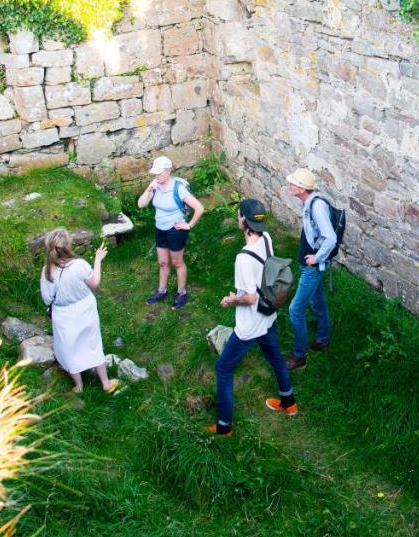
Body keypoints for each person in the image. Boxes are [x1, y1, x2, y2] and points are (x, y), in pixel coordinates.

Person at [208, 199, 298, 436]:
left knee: (223, 368)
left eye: (239, 215)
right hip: (269, 316)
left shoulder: (243, 258)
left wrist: (230, 300)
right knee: (275, 357)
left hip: (250, 325)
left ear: (243, 221)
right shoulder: (266, 238)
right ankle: (289, 402)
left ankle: (224, 427)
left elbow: (248, 298)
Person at [39, 229, 118, 394]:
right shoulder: (79, 264)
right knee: (93, 342)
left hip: (62, 314)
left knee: (68, 347)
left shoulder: (47, 271)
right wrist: (98, 259)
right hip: (85, 310)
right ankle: (105, 383)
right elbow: (95, 282)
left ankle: (79, 386)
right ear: (68, 245)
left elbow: (47, 299)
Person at [284, 168, 337, 370]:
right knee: (318, 302)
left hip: (312, 268)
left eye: (293, 183)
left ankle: (299, 356)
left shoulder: (316, 207)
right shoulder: (309, 202)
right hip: (309, 265)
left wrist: (316, 258)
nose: (289, 185)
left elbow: (330, 238)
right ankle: (322, 340)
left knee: (295, 310)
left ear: (302, 188)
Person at [136, 155, 204, 310]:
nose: (156, 176)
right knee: (163, 262)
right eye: (155, 174)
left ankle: (181, 293)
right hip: (160, 228)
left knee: (177, 263)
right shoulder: (155, 185)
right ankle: (162, 291)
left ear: (168, 171)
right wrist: (149, 188)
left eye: (159, 173)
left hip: (175, 230)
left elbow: (200, 208)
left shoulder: (178, 188)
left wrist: (189, 225)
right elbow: (140, 204)